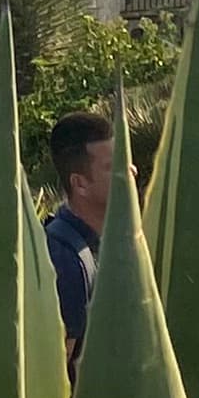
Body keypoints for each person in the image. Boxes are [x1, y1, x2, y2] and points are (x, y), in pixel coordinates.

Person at [43, 106, 112, 369]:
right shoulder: (66, 261)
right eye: (112, 166)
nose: (130, 170)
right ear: (80, 183)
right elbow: (55, 372)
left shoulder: (109, 245)